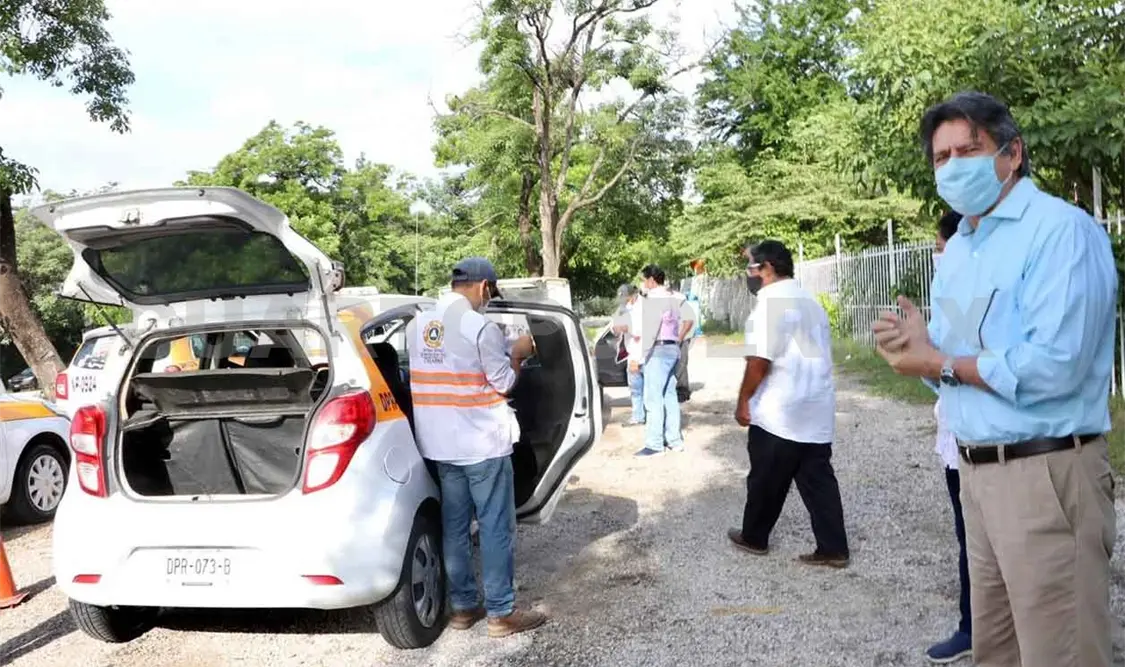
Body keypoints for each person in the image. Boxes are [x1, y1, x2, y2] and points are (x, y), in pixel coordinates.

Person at [872, 91, 1117, 667]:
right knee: (996, 651)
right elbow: (956, 364)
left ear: (1012, 154)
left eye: (969, 149)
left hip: (1047, 474)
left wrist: (937, 363)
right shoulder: (960, 248)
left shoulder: (1060, 231)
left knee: (1061, 652)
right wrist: (921, 352)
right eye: (942, 157)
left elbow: (1055, 366)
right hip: (976, 473)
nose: (954, 165)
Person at [407, 256, 547, 638]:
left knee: (453, 528)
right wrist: (518, 353)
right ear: (484, 288)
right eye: (490, 294)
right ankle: (502, 613)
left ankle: (463, 609)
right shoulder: (478, 327)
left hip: (440, 446)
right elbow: (502, 383)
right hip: (482, 445)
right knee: (495, 527)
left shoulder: (417, 325)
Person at [727, 240, 849, 569]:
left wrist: (743, 400)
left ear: (767, 268)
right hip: (815, 405)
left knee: (765, 478)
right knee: (819, 482)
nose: (748, 275)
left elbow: (758, 362)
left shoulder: (769, 305)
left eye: (751, 268)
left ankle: (754, 537)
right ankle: (833, 547)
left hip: (779, 409)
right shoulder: (811, 302)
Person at [925, 210, 972, 664]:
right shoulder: (953, 291)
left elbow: (946, 365)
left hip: (974, 441)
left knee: (974, 539)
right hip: (959, 434)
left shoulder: (962, 292)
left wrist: (924, 358)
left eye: (938, 247)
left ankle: (973, 626)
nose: (938, 256)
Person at [631, 264, 695, 456]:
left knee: (653, 398)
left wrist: (638, 357)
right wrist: (679, 339)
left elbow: (649, 330)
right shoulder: (674, 297)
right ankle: (674, 441)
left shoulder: (652, 299)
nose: (643, 284)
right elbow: (689, 319)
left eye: (644, 280)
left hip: (657, 350)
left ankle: (655, 444)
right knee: (669, 396)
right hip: (672, 348)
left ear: (651, 280)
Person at [612, 284, 645, 426]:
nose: (624, 300)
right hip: (633, 354)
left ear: (633, 295)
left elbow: (638, 332)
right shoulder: (623, 309)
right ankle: (638, 416)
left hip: (645, 353)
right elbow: (615, 329)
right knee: (635, 389)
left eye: (626, 297)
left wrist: (626, 327)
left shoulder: (643, 307)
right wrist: (618, 328)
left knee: (650, 390)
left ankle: (652, 417)